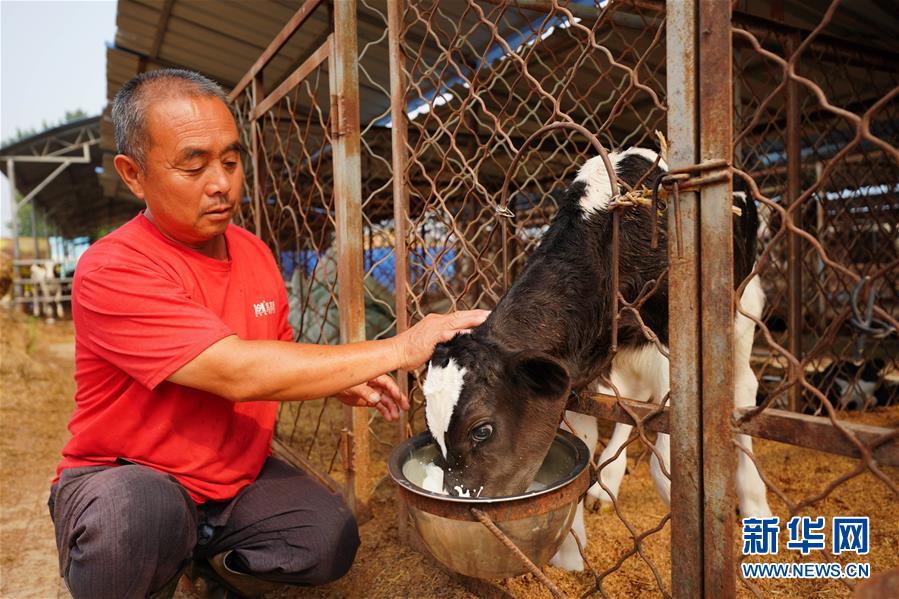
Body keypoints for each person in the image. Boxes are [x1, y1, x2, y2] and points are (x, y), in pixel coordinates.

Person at [48, 68, 488, 599]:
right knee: (135, 518)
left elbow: (274, 349)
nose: (221, 183)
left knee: (326, 536)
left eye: (231, 162)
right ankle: (156, 559)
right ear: (133, 174)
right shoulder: (114, 266)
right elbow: (236, 371)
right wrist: (397, 348)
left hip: (229, 484)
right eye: (194, 165)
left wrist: (339, 379)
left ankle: (207, 560)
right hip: (130, 477)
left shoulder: (253, 252)